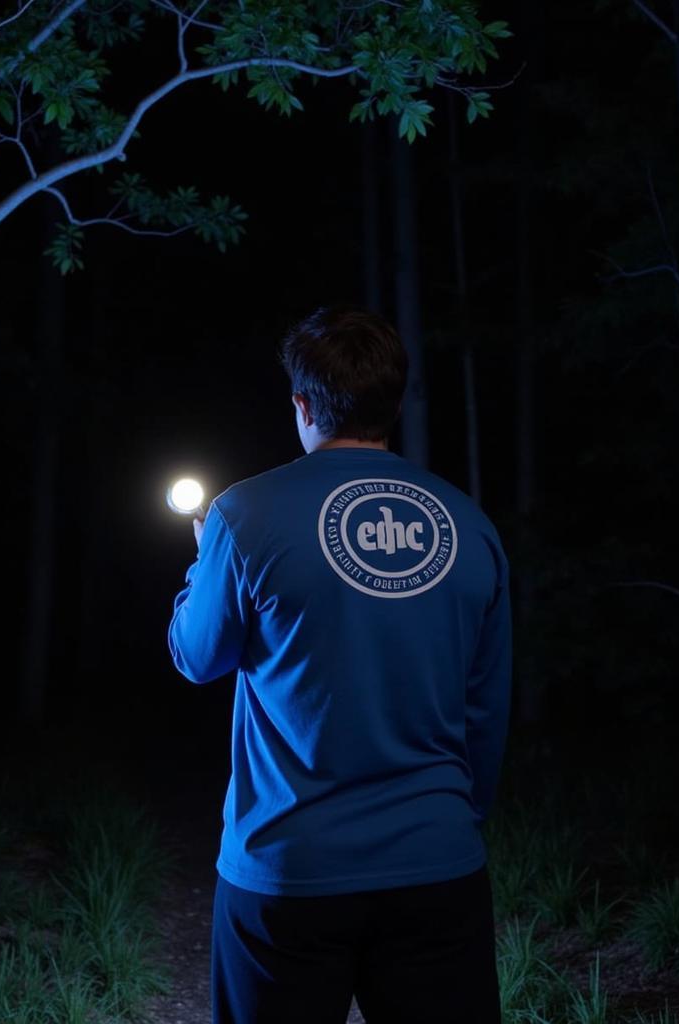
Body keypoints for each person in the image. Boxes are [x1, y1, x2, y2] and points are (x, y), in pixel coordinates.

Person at [168, 306, 511, 1024]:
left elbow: (199, 659)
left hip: (290, 872)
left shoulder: (243, 515)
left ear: (301, 404)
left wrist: (204, 565)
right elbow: (487, 707)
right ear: (395, 401)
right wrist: (451, 818)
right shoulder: (470, 524)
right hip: (437, 864)